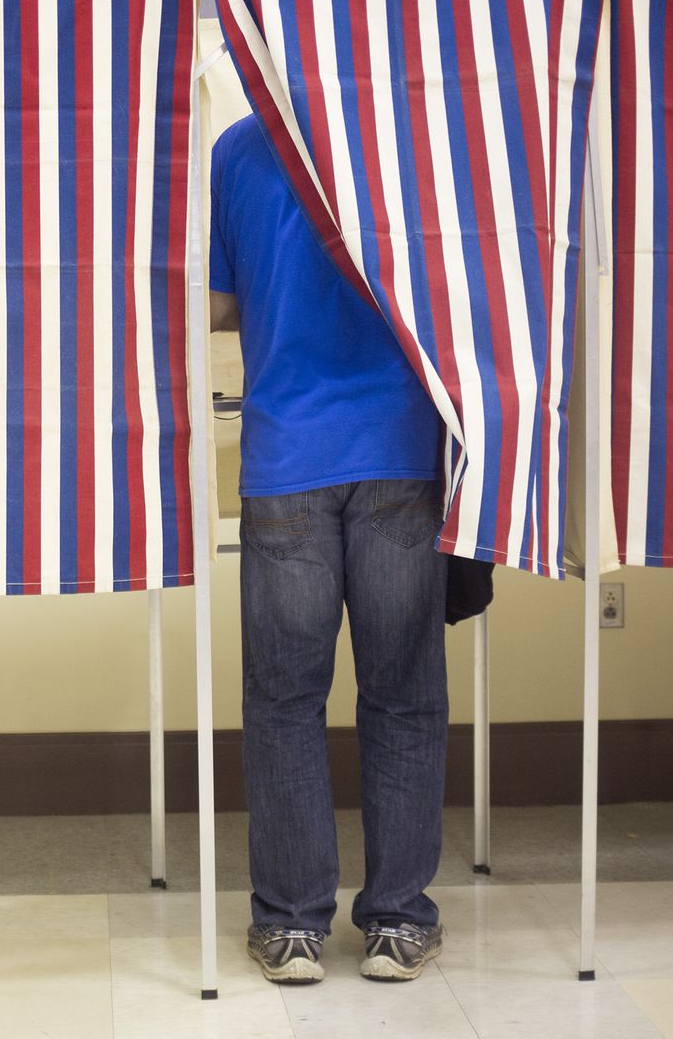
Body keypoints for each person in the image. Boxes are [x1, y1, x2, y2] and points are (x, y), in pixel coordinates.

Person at [208, 113, 450, 984]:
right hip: (402, 448)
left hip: (285, 457)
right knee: (403, 696)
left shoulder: (238, 148)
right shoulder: (420, 131)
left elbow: (217, 304)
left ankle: (291, 927)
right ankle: (396, 922)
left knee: (283, 700)